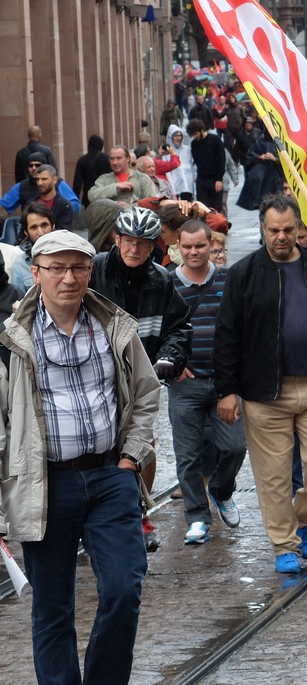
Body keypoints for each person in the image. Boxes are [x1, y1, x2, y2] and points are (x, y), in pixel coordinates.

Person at [0, 230, 159, 684]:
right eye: (57, 268)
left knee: (124, 589)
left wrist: (131, 457)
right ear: (36, 274)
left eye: (79, 267)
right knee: (52, 607)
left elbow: (146, 395)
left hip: (111, 475)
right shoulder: (11, 339)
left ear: (91, 270)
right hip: (45, 485)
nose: (69, 278)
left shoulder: (114, 326)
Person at [214, 193, 307, 573]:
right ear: (262, 228)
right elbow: (227, 333)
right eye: (274, 230)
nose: (281, 237)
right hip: (264, 390)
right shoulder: (244, 273)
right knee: (271, 475)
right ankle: (283, 544)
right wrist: (226, 389)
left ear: (301, 228)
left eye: (288, 230)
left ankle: (305, 519)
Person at [89, 206, 193, 552]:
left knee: (142, 445)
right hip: (94, 376)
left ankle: (139, 514)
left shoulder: (162, 281)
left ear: (154, 247)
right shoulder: (94, 271)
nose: (134, 249)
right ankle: (93, 516)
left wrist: (170, 357)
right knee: (98, 447)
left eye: (143, 243)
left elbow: (179, 326)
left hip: (139, 379)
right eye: (128, 241)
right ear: (116, 240)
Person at [169, 219, 246, 546]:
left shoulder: (230, 280)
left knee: (234, 446)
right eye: (187, 247)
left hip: (223, 384)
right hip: (184, 385)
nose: (193, 252)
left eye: (199, 246)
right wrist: (171, 366)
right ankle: (197, 516)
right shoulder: (167, 284)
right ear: (178, 246)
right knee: (188, 457)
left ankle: (221, 490)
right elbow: (156, 329)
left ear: (210, 243)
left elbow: (244, 328)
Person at [89, 146, 157, 206]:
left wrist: (131, 207)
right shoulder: (104, 179)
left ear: (127, 159)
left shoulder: (142, 178)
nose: (115, 162)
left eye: (119, 158)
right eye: (112, 159)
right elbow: (92, 196)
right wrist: (115, 187)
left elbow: (152, 202)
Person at [189, 118, 227, 212]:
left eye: (195, 133)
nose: (194, 136)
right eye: (192, 134)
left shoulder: (215, 140)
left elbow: (221, 160)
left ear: (202, 130)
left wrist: (219, 179)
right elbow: (196, 161)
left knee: (216, 209)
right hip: (201, 180)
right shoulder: (194, 144)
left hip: (214, 179)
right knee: (203, 209)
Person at [73, 134, 110, 208]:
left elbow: (77, 182)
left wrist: (75, 197)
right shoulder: (106, 158)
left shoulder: (82, 160)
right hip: (105, 194)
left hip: (88, 197)